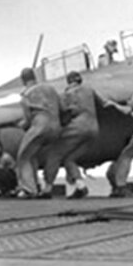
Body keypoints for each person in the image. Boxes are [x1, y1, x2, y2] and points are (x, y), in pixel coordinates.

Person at [43, 71, 125, 199]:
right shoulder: (89, 90)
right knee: (69, 159)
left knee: (55, 153)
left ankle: (47, 189)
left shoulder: (67, 94)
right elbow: (106, 103)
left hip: (78, 127)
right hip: (94, 129)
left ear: (69, 81)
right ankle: (80, 186)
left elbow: (63, 111)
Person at [16, 67, 61, 198]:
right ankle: (46, 186)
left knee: (23, 156)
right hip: (56, 127)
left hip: (40, 127)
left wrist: (19, 125)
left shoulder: (25, 95)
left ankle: (29, 189)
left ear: (23, 80)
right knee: (34, 154)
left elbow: (28, 119)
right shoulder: (50, 89)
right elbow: (62, 107)